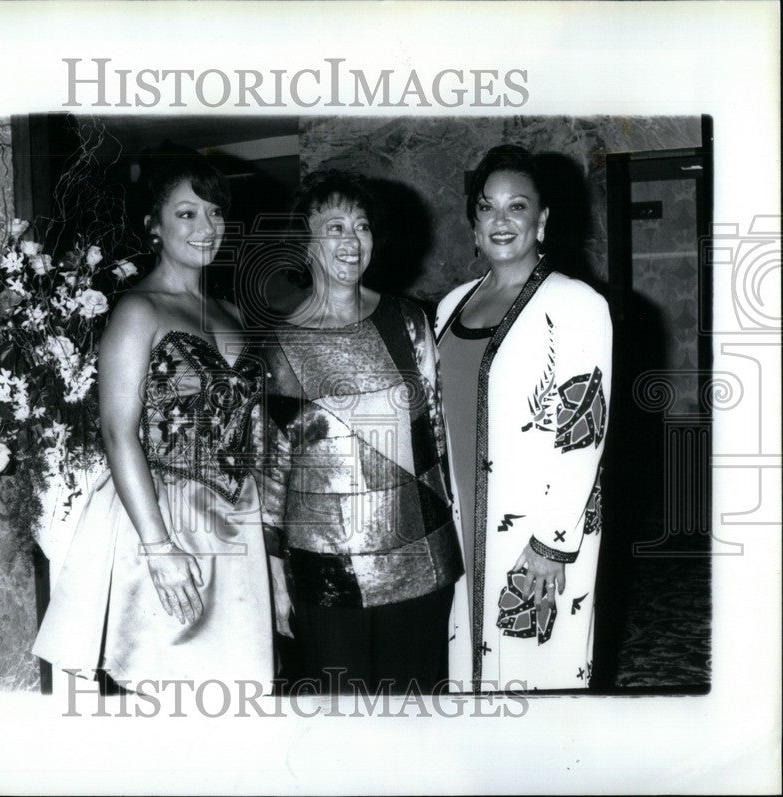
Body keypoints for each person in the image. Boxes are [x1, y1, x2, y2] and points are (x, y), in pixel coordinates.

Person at [32, 154, 275, 691]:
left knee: (236, 699)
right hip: (165, 521)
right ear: (155, 226)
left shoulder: (233, 313)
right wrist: (159, 547)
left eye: (214, 213)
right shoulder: (138, 310)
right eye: (187, 213)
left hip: (238, 524)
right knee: (166, 689)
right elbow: (119, 433)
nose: (206, 227)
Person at [254, 171, 463, 695]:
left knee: (416, 722)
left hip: (420, 559)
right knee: (342, 734)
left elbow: (437, 438)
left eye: (362, 226)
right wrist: (273, 576)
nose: (352, 241)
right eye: (335, 227)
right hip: (323, 577)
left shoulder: (408, 321)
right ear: (305, 243)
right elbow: (271, 477)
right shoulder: (277, 349)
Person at [434, 144, 612, 691]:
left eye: (517, 206)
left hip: (539, 526)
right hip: (464, 519)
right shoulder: (450, 306)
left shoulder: (575, 303)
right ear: (473, 223)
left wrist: (552, 542)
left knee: (538, 671)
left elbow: (585, 429)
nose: (501, 220)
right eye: (487, 208)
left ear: (543, 219)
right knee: (471, 666)